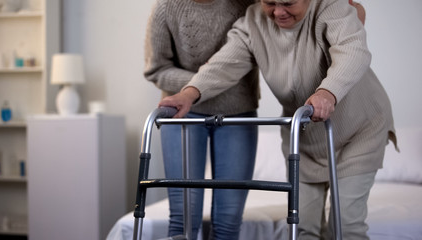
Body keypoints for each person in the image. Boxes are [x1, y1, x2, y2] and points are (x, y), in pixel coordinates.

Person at [158, 0, 396, 239]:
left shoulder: (330, 6)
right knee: (302, 227)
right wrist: (189, 94)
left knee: (344, 225)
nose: (278, 12)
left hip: (358, 131)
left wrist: (328, 92)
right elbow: (225, 63)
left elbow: (352, 50)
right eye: (269, 3)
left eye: (288, 3)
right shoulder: (254, 21)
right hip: (306, 135)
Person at [143, 1, 260, 239]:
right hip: (182, 113)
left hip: (238, 112)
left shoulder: (249, 4)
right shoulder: (166, 8)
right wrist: (207, 79)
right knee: (183, 219)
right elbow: (156, 70)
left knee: (228, 222)